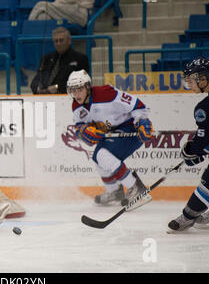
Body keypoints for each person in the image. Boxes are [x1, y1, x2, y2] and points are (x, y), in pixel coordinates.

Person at [66, 69, 155, 207]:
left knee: (102, 155)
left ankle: (136, 188)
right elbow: (79, 127)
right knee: (97, 158)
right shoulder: (76, 105)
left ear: (87, 87)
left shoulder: (106, 93)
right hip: (111, 133)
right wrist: (83, 132)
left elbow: (137, 105)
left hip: (129, 129)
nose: (76, 94)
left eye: (79, 89)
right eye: (73, 90)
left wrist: (141, 121)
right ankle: (115, 191)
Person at [168, 57, 209, 231]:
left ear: (202, 78)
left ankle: (188, 217)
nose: (189, 85)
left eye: (190, 81)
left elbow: (207, 143)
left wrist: (191, 152)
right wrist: (196, 151)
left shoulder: (206, 106)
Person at [30, 26, 89, 94]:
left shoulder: (80, 58)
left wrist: (57, 87)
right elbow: (37, 78)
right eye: (56, 41)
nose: (58, 43)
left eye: (61, 40)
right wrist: (37, 87)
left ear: (69, 41)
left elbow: (82, 82)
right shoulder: (46, 58)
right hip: (45, 97)